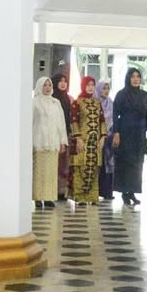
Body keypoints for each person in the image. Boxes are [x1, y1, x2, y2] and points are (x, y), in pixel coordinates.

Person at [112, 68, 147, 206]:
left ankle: (133, 191)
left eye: (138, 76)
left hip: (139, 133)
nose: (135, 79)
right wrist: (116, 133)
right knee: (125, 163)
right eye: (133, 76)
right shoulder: (121, 94)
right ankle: (124, 192)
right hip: (125, 131)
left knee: (137, 164)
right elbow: (116, 114)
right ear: (128, 78)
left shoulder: (145, 95)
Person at [32, 77, 68, 208]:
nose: (47, 88)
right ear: (39, 86)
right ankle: (38, 197)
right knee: (39, 171)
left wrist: (63, 141)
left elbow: (61, 123)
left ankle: (48, 198)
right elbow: (30, 122)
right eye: (45, 85)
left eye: (49, 85)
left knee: (51, 172)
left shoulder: (56, 102)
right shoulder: (35, 102)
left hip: (53, 142)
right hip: (39, 141)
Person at [70, 76, 105, 205]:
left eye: (92, 85)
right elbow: (73, 121)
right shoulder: (77, 102)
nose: (90, 87)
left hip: (95, 141)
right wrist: (78, 138)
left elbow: (102, 120)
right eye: (88, 85)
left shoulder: (97, 102)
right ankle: (80, 197)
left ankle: (92, 196)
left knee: (94, 168)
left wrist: (103, 137)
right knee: (80, 167)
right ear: (83, 86)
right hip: (82, 141)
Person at [51, 73, 74, 200]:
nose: (63, 83)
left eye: (65, 81)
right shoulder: (52, 99)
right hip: (53, 135)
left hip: (67, 134)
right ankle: (52, 190)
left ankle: (61, 191)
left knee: (65, 164)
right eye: (60, 81)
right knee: (55, 163)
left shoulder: (69, 99)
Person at [95, 79, 115, 201]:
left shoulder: (111, 103)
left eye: (107, 88)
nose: (106, 91)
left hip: (109, 138)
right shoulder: (94, 102)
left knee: (109, 165)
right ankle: (96, 190)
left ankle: (107, 191)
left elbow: (114, 119)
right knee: (98, 164)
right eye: (103, 88)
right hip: (96, 138)